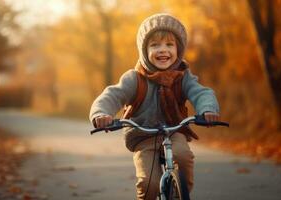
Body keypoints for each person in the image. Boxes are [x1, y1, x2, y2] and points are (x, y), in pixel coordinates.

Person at [89, 13, 220, 200]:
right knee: (148, 184)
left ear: (178, 49)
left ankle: (180, 194)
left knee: (183, 156)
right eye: (155, 45)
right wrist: (101, 113)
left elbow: (201, 92)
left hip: (174, 132)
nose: (163, 50)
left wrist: (208, 110)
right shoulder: (135, 78)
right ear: (144, 50)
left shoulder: (182, 76)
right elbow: (112, 95)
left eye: (169, 45)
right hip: (144, 137)